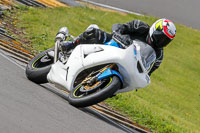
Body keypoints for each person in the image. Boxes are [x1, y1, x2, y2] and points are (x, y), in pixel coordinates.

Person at [61, 18, 176, 76]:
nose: (161, 41)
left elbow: (148, 73)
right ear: (154, 29)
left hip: (127, 64)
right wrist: (118, 34)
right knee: (94, 32)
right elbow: (119, 26)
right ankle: (71, 45)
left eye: (166, 40)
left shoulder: (159, 55)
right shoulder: (140, 26)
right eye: (160, 37)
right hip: (114, 44)